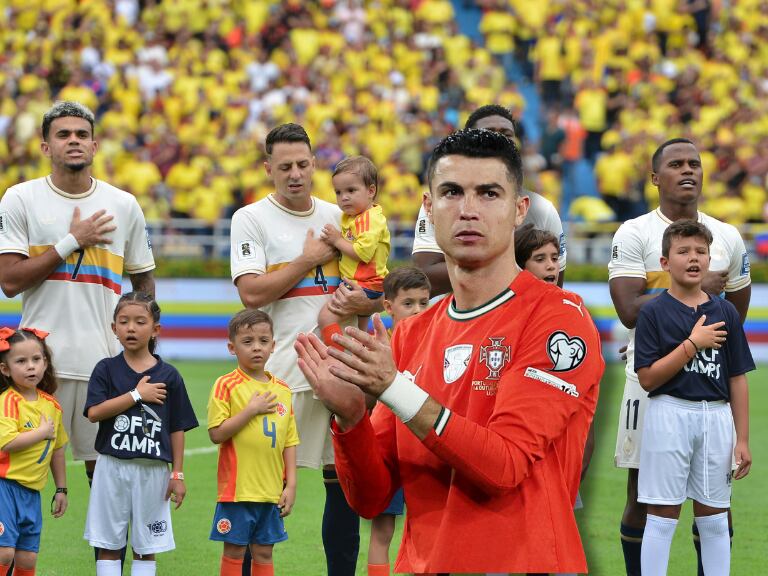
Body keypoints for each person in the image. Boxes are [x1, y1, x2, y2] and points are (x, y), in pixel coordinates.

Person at [296, 129, 604, 573]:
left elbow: (505, 465)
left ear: (519, 210)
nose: (468, 209)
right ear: (429, 208)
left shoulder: (559, 319)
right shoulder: (409, 335)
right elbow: (372, 498)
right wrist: (350, 420)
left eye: (489, 193)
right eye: (452, 192)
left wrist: (393, 388)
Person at [230, 123, 380, 576]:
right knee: (261, 495)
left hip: (344, 370)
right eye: (285, 166)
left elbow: (377, 286)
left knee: (343, 490)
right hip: (282, 376)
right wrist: (308, 260)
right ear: (268, 168)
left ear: (313, 162)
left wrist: (366, 300)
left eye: (303, 164)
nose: (295, 174)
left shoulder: (344, 214)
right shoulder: (251, 218)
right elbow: (252, 294)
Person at [609, 138, 751, 576]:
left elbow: (732, 317)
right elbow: (629, 310)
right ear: (655, 178)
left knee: (714, 501)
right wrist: (699, 288)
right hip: (648, 379)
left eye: (695, 163)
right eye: (675, 164)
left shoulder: (727, 236)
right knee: (643, 493)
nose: (687, 170)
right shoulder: (634, 232)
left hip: (710, 387)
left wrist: (690, 297)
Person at [0, 101, 156, 494]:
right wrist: (72, 241)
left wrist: (142, 346)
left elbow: (143, 281)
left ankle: (111, 559)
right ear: (45, 147)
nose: (74, 141)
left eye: (81, 135)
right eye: (63, 134)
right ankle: (15, 556)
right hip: (37, 365)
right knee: (20, 479)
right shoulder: (20, 199)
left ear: (95, 145)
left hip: (102, 364)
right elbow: (9, 281)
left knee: (109, 480)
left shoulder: (124, 205)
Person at [634, 220, 753, 575]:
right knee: (662, 513)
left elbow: (737, 378)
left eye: (701, 251)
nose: (693, 258)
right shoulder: (653, 312)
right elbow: (648, 378)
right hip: (668, 414)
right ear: (665, 263)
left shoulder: (725, 311)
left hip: (716, 418)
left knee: (715, 515)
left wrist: (742, 438)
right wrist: (691, 345)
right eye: (683, 251)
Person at [83, 292, 198, 576]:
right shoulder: (105, 369)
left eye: (139, 321)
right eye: (123, 322)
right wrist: (137, 394)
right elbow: (95, 412)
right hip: (112, 467)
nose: (131, 328)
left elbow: (177, 427)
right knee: (109, 542)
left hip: (154, 471)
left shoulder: (169, 375)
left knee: (147, 546)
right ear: (114, 329)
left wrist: (178, 474)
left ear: (155, 329)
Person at [412, 104, 567, 293]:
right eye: (488, 133)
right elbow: (425, 276)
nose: (498, 139)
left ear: (521, 209)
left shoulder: (542, 209)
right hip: (453, 318)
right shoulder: (444, 202)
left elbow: (553, 287)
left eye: (507, 134)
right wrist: (507, 251)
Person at [208, 309, 299, 576]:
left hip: (271, 490)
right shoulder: (226, 385)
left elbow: (289, 440)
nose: (256, 348)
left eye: (262, 341)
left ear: (273, 345)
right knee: (234, 550)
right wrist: (250, 410)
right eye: (247, 342)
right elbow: (216, 433)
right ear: (232, 347)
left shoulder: (282, 389)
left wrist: (291, 484)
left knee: (264, 551)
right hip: (237, 491)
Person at [367, 267, 430, 576]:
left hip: (426, 450)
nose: (417, 310)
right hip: (388, 451)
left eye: (423, 302)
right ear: (388, 307)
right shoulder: (377, 348)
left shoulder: (438, 344)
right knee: (382, 531)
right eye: (408, 303)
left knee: (428, 531)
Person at [0, 328, 68, 576]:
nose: (31, 367)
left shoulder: (51, 405)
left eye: (36, 359)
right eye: (21, 361)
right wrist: (41, 433)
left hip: (32, 492)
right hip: (4, 486)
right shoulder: (7, 401)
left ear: (45, 362)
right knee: (4, 551)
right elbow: (5, 442)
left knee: (27, 558)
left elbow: (58, 448)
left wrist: (61, 488)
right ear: (5, 369)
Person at [319, 156, 390, 349]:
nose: (344, 197)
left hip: (364, 282)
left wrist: (336, 240)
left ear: (371, 190)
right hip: (368, 282)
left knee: (326, 317)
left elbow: (362, 253)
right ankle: (358, 359)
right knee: (358, 333)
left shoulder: (369, 220)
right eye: (338, 192)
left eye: (351, 190)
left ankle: (336, 355)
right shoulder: (354, 217)